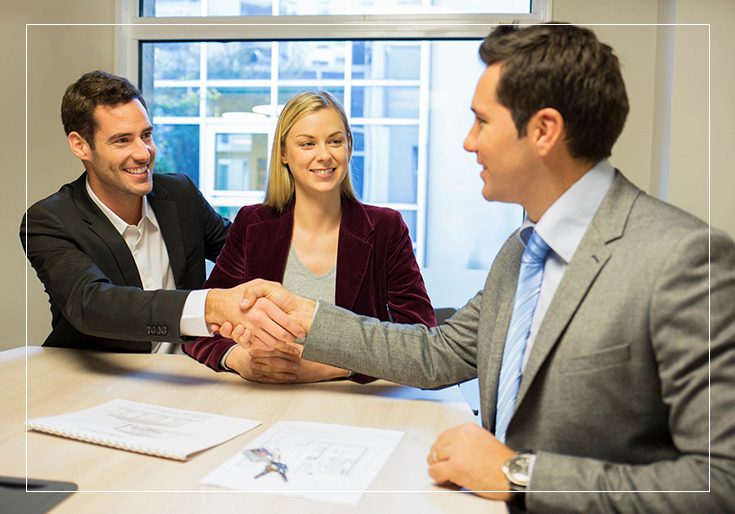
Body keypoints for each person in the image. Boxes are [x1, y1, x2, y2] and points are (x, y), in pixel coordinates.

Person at [224, 24, 735, 512]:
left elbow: (720, 482)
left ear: (544, 131)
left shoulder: (684, 261)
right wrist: (307, 316)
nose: (469, 142)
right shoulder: (521, 252)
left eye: (482, 121)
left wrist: (518, 475)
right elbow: (434, 352)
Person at [21, 70, 303, 354]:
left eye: (146, 135)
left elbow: (253, 256)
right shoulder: (49, 221)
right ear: (80, 145)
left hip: (185, 376)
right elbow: (92, 305)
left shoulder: (181, 195)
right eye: (122, 140)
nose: (143, 153)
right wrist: (212, 305)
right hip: (95, 384)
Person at [185, 90, 436, 383]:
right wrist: (239, 359)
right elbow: (200, 325)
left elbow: (421, 338)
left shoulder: (385, 228)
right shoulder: (252, 224)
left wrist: (327, 368)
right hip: (263, 399)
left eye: (335, 141)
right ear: (283, 153)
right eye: (307, 144)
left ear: (349, 147)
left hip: (354, 403)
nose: (324, 155)